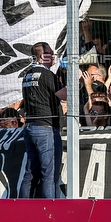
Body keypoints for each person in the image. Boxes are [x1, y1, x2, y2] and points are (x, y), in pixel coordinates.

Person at [19, 42, 67, 199]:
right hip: (46, 128)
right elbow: (65, 95)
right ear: (41, 56)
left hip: (30, 128)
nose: (53, 56)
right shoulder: (47, 75)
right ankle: (49, 210)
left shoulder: (27, 75)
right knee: (49, 173)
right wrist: (76, 81)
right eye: (50, 53)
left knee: (30, 172)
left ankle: (21, 207)